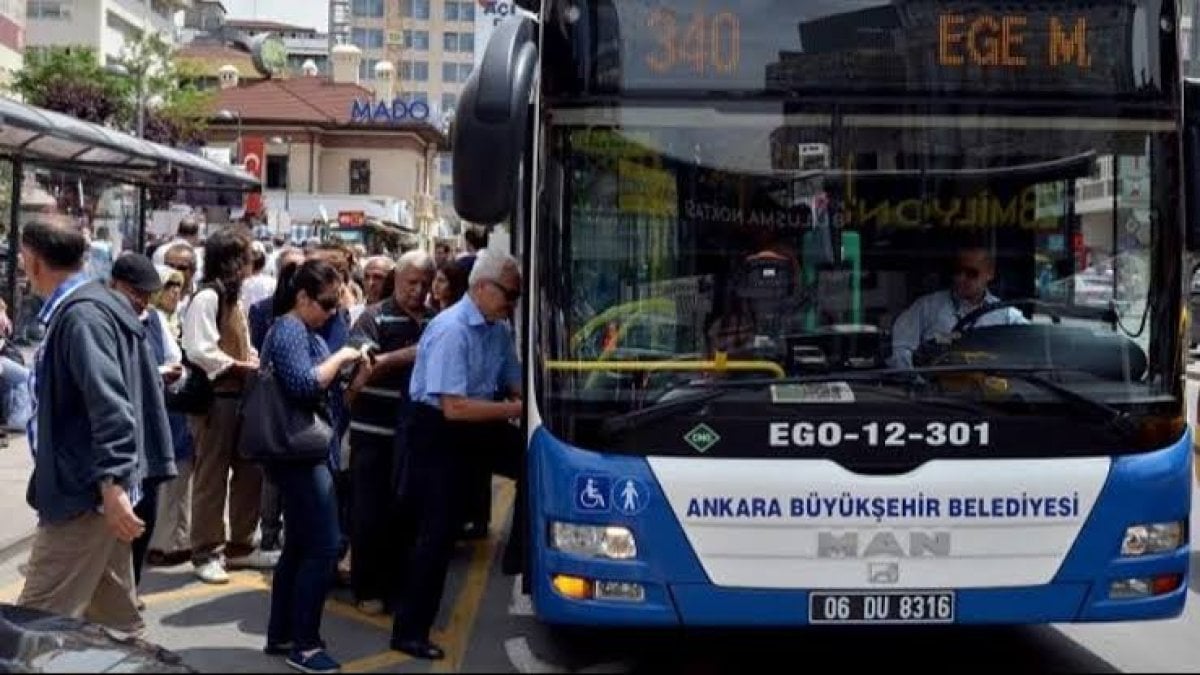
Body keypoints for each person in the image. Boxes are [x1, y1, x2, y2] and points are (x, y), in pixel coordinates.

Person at [17, 222, 175, 635]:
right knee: (117, 625)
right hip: (97, 494)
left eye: (21, 255)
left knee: (32, 629)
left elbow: (111, 406)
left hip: (84, 498)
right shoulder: (96, 305)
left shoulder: (83, 317)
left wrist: (112, 484)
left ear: (34, 260)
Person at [389, 251, 525, 660]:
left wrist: (521, 400)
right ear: (482, 288)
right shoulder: (452, 330)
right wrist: (518, 410)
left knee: (536, 462)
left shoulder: (498, 330)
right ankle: (409, 630)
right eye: (510, 295)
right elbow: (455, 408)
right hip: (439, 430)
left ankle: (524, 552)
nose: (512, 304)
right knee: (437, 532)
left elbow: (512, 381)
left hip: (479, 423)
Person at [260, 259, 369, 674]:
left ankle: (283, 633)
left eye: (336, 306)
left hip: (308, 451)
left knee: (301, 546)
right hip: (299, 455)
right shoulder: (288, 329)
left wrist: (352, 372)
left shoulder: (304, 330)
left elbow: (325, 388)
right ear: (302, 297)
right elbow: (304, 384)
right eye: (325, 305)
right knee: (323, 546)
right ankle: (303, 645)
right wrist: (342, 353)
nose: (331, 313)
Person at [182, 229, 274, 585]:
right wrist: (239, 365)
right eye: (247, 256)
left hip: (240, 396)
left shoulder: (233, 299)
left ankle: (239, 545)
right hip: (216, 399)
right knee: (212, 475)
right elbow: (200, 350)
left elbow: (240, 345)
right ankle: (205, 550)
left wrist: (249, 359)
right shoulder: (208, 297)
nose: (252, 263)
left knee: (248, 471)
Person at [345, 251, 434, 615]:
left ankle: (397, 588)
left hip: (414, 436)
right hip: (373, 432)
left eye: (424, 284)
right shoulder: (373, 316)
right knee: (369, 513)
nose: (417, 291)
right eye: (410, 283)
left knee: (405, 515)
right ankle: (367, 587)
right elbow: (361, 367)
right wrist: (414, 353)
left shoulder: (434, 320)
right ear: (397, 280)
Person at [889, 245, 1029, 369]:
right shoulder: (926, 307)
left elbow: (1032, 348)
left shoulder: (1006, 316)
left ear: (990, 273)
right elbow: (900, 348)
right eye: (957, 271)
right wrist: (917, 383)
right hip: (935, 393)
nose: (961, 278)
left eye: (971, 273)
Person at [146, 264, 196, 568]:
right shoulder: (154, 320)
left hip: (177, 406)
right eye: (169, 287)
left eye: (178, 287)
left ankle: (180, 538)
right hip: (166, 405)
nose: (175, 293)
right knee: (168, 475)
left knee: (181, 473)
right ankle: (162, 542)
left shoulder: (177, 319)